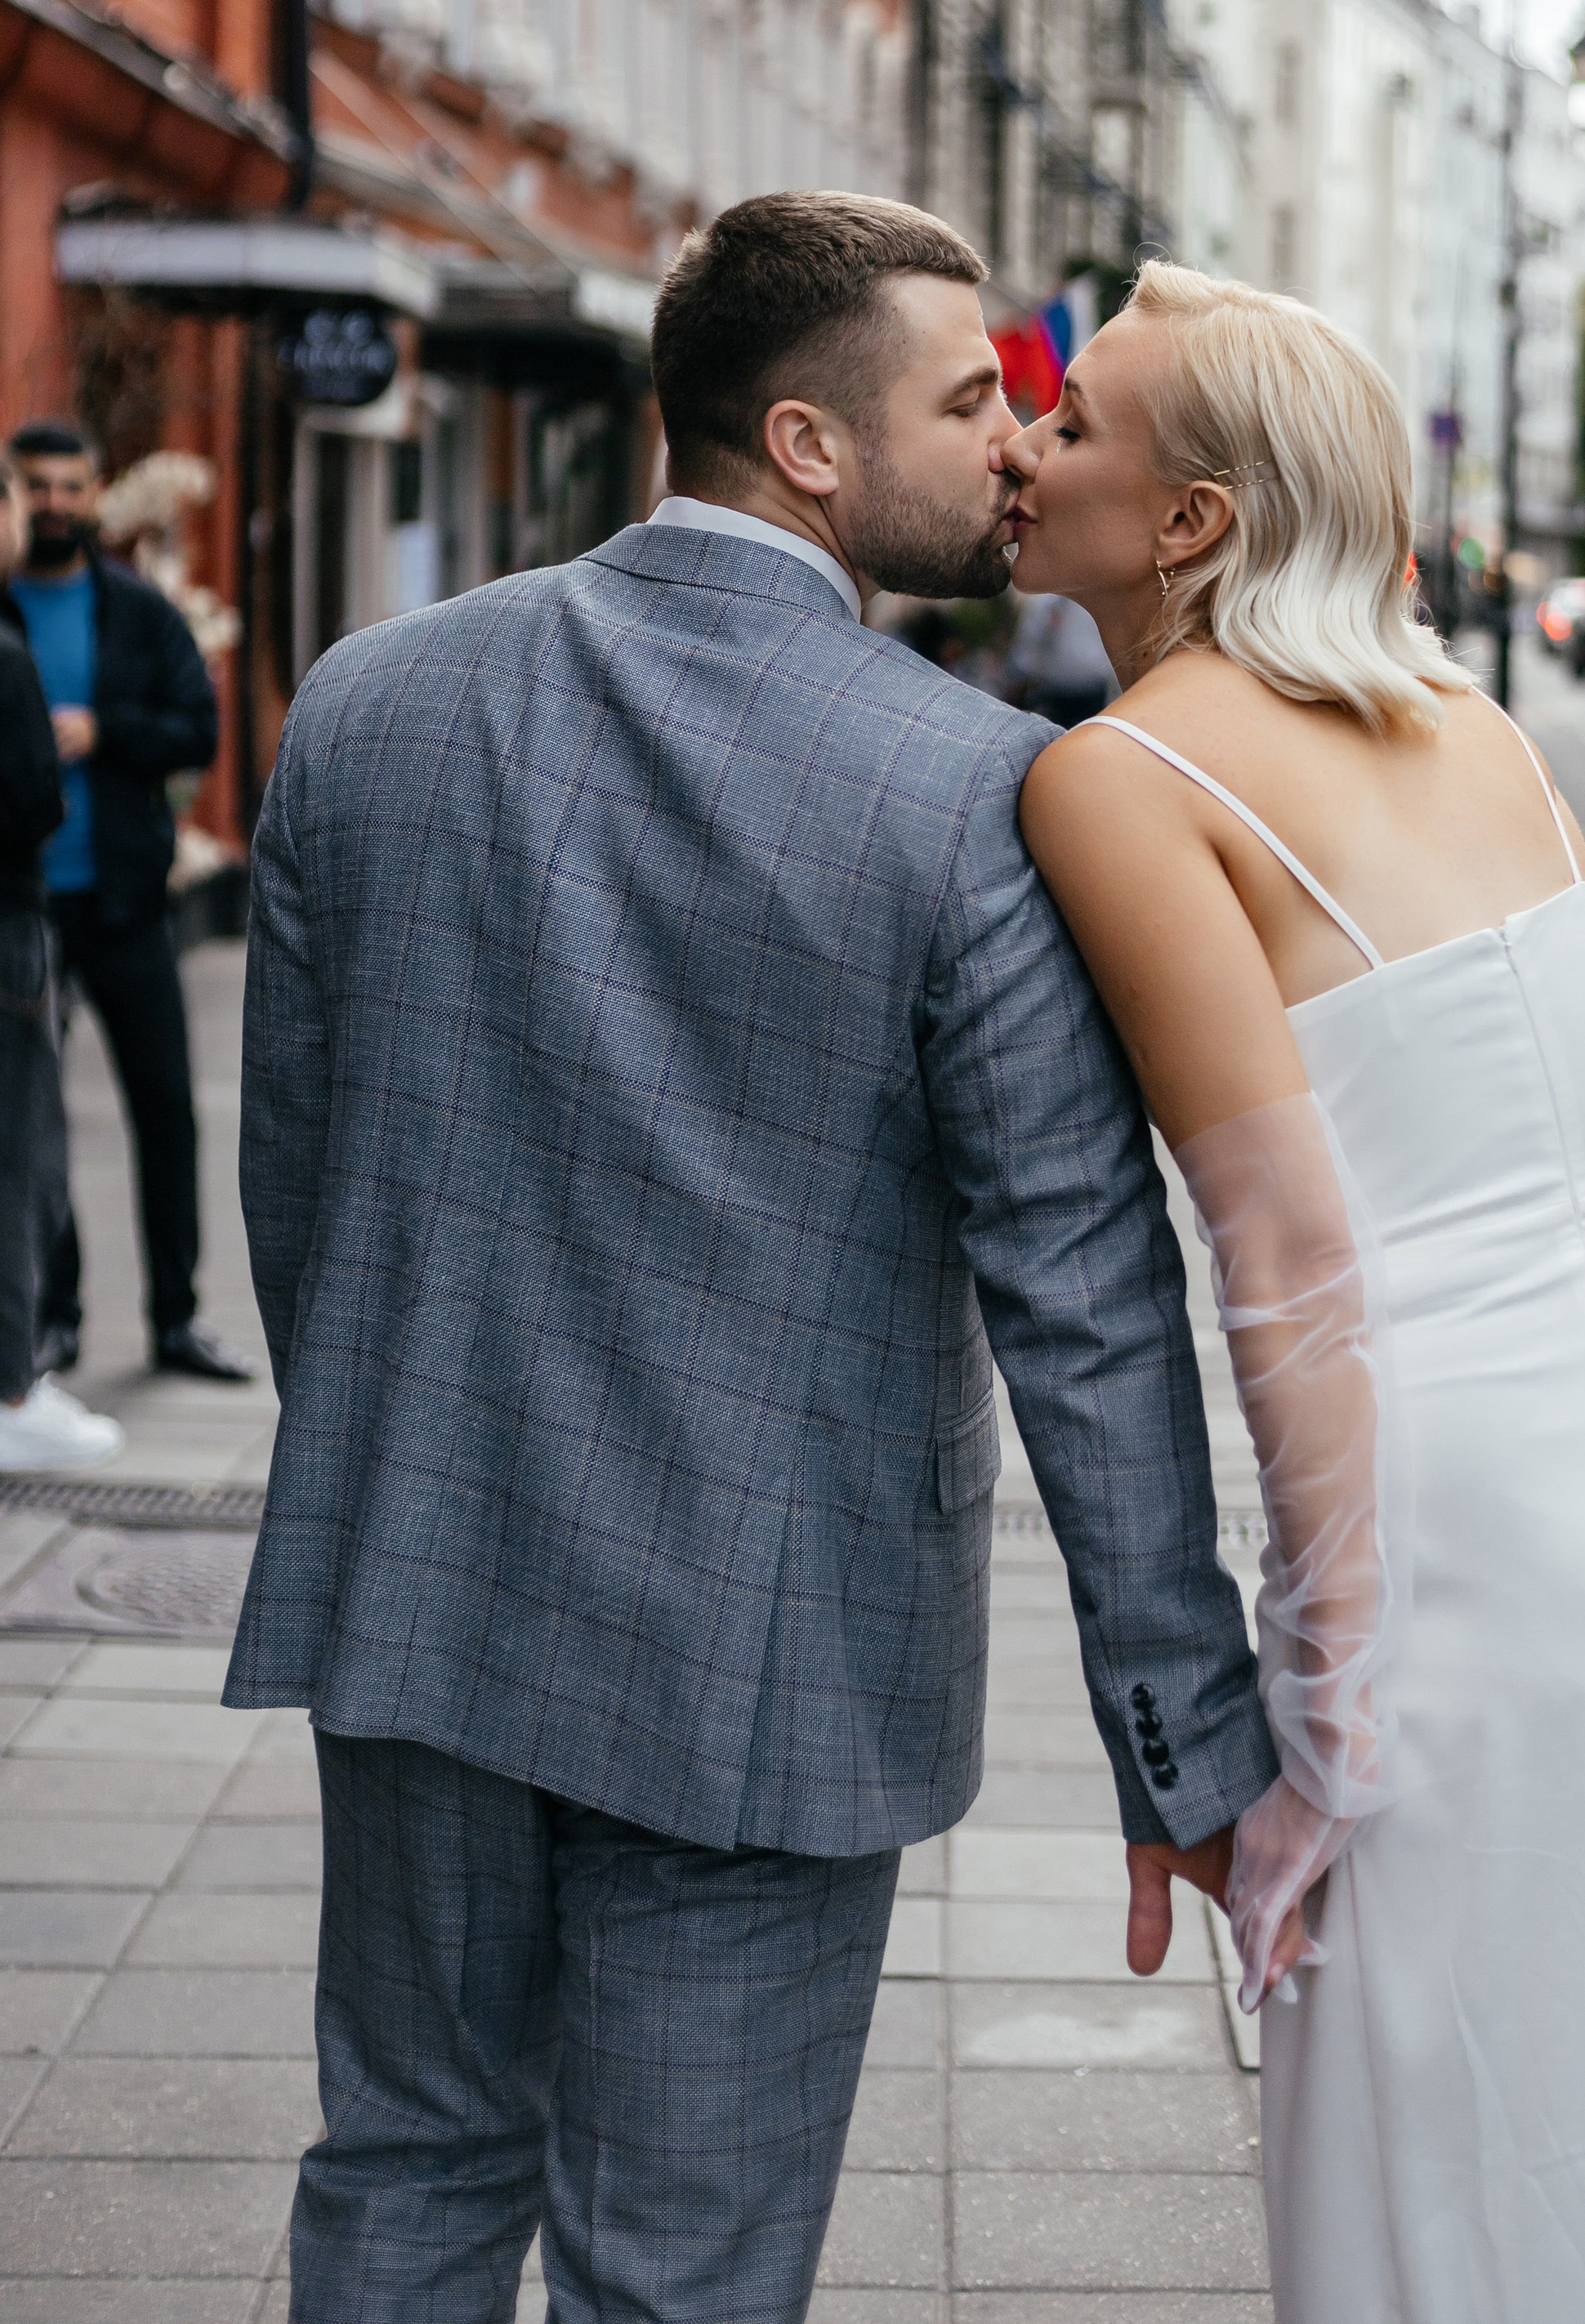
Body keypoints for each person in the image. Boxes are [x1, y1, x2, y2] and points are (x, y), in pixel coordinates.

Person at [228, 194, 1273, 2322]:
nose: (1019, 436)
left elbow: (302, 1189)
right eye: (975, 393)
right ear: (809, 447)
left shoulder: (369, 702)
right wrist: (1188, 1746)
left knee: (409, 2170)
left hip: (417, 1599)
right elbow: (1084, 1297)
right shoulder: (987, 794)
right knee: (681, 2274)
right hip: (770, 1658)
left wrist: (402, 1466)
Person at [1001, 262, 1585, 2324]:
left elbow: (1286, 1263)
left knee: (1454, 2117)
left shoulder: (1119, 775)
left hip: (1485, 1515)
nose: (1021, 438)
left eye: (1072, 418)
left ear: (1187, 521)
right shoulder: (1465, 718)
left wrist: (1320, 1729)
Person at [3, 420, 250, 1381]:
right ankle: (55, 1316)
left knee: (164, 1111)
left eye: (72, 485)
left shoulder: (140, 612)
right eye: (39, 486)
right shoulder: (3, 614)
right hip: (23, 915)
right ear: (18, 497)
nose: (57, 503)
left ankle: (177, 1318)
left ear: (96, 491)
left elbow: (197, 730)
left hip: (123, 903)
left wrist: (103, 729)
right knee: (34, 1125)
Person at [0, 449, 123, 1471]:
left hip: (107, 908)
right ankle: (10, 1387)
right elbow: (34, 797)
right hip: (11, 933)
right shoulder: (5, 651)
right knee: (18, 1158)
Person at [1006, 588, 1116, 726]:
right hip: (1056, 686)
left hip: (1091, 685)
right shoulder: (1045, 602)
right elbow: (1030, 640)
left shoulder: (1098, 599)